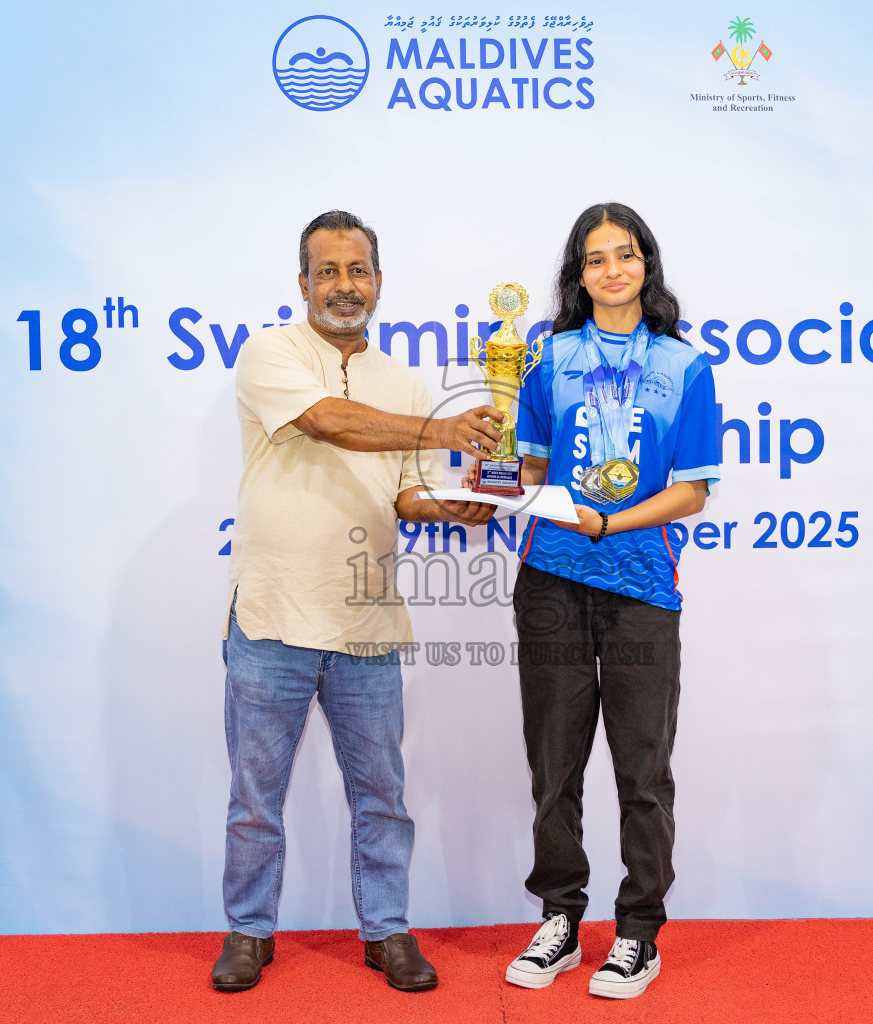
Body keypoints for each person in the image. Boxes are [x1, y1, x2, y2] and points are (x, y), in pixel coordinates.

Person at [212, 210, 500, 994]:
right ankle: (248, 931)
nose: (345, 285)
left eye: (358, 270)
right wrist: (440, 427)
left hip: (367, 620)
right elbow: (326, 422)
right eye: (328, 271)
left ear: (379, 282)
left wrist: (453, 508)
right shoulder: (272, 352)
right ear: (302, 283)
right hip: (272, 616)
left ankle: (387, 931)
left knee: (383, 795)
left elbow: (401, 492)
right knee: (255, 793)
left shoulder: (401, 379)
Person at [494, 203, 720, 999]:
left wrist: (610, 521)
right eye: (596, 259)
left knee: (642, 771)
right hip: (552, 583)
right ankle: (558, 920)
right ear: (578, 274)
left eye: (626, 255)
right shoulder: (546, 359)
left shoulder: (686, 367)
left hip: (642, 589)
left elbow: (691, 492)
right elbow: (527, 472)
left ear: (645, 265)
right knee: (554, 767)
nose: (612, 270)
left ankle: (637, 933)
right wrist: (495, 488)